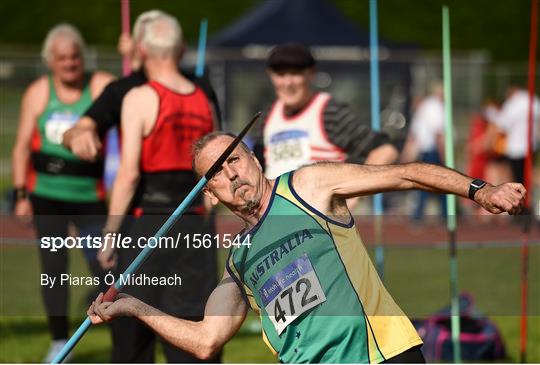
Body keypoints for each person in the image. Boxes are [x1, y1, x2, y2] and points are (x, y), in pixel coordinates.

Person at [87, 132, 525, 364]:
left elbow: (406, 174)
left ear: (255, 158)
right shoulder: (238, 262)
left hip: (379, 356)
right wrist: (132, 307)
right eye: (217, 172)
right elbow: (206, 340)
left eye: (234, 158)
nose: (231, 174)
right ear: (210, 193)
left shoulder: (307, 186)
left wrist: (481, 191)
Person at [95, 12, 218, 363]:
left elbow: (129, 174)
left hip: (146, 224)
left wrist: (110, 233)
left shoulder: (139, 97)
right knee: (190, 327)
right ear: (178, 49)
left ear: (142, 49)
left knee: (132, 328)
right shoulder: (203, 97)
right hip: (193, 226)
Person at [11, 24, 114, 362]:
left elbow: (126, 95)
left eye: (75, 57)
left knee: (105, 266)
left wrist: (130, 57)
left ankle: (125, 335)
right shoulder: (39, 92)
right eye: (62, 59)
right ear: (50, 61)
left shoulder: (98, 85)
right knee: (53, 268)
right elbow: (22, 146)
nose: (70, 64)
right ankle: (59, 342)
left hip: (89, 194)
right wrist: (21, 193)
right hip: (47, 194)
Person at [62, 10, 221, 162]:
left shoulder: (201, 87)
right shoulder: (121, 89)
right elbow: (77, 129)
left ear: (140, 49)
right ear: (182, 48)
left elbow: (218, 143)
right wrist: (80, 133)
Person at [253, 43, 398, 180]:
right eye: (281, 74)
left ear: (311, 73)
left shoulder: (329, 112)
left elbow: (384, 150)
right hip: (276, 206)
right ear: (270, 75)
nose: (288, 83)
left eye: (295, 74)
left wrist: (353, 195)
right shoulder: (266, 117)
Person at [401, 82, 447, 220]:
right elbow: (437, 133)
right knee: (440, 182)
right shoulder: (434, 106)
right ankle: (442, 214)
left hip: (426, 149)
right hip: (431, 150)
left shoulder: (426, 107)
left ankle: (426, 213)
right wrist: (443, 153)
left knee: (432, 182)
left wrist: (406, 154)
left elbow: (414, 135)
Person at [492, 85, 540, 185]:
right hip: (531, 146)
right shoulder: (533, 100)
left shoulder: (512, 103)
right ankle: (528, 196)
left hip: (515, 148)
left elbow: (502, 126)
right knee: (528, 175)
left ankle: (522, 198)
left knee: (517, 178)